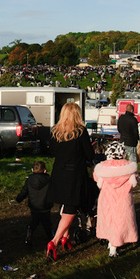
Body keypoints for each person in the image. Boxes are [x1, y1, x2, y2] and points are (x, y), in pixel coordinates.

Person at [46, 102, 95, 260]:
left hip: (59, 172)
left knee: (65, 206)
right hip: (74, 174)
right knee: (71, 208)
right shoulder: (81, 132)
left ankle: (65, 238)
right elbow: (90, 155)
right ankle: (54, 241)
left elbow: (52, 151)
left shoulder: (55, 131)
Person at [93, 141, 139, 257]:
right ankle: (115, 245)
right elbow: (134, 182)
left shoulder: (102, 169)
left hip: (107, 200)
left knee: (108, 220)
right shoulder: (129, 169)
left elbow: (97, 181)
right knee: (121, 221)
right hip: (124, 201)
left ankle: (111, 243)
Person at [16, 161, 53, 246]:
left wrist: (19, 199)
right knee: (47, 223)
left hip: (34, 205)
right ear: (45, 170)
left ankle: (29, 234)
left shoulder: (29, 180)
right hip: (45, 205)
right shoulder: (48, 180)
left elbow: (24, 191)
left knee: (34, 221)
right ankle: (51, 237)